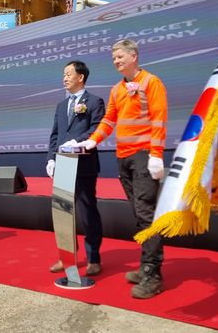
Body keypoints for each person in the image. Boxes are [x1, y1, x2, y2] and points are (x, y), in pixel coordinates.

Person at [81, 39, 168, 299]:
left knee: (146, 214)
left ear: (134, 56)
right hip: (124, 159)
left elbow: (159, 118)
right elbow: (109, 119)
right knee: (138, 214)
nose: (116, 61)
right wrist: (93, 140)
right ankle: (145, 266)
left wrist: (156, 155)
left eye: (120, 56)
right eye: (114, 58)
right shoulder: (117, 89)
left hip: (144, 157)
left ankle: (153, 274)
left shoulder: (151, 82)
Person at [46, 60, 105, 276]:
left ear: (80, 77)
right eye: (63, 74)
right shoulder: (62, 106)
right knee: (62, 214)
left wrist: (77, 141)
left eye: (68, 74)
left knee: (87, 212)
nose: (65, 77)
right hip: (62, 164)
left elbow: (96, 128)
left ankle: (93, 259)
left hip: (84, 165)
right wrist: (51, 159)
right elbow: (55, 135)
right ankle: (67, 258)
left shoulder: (95, 101)